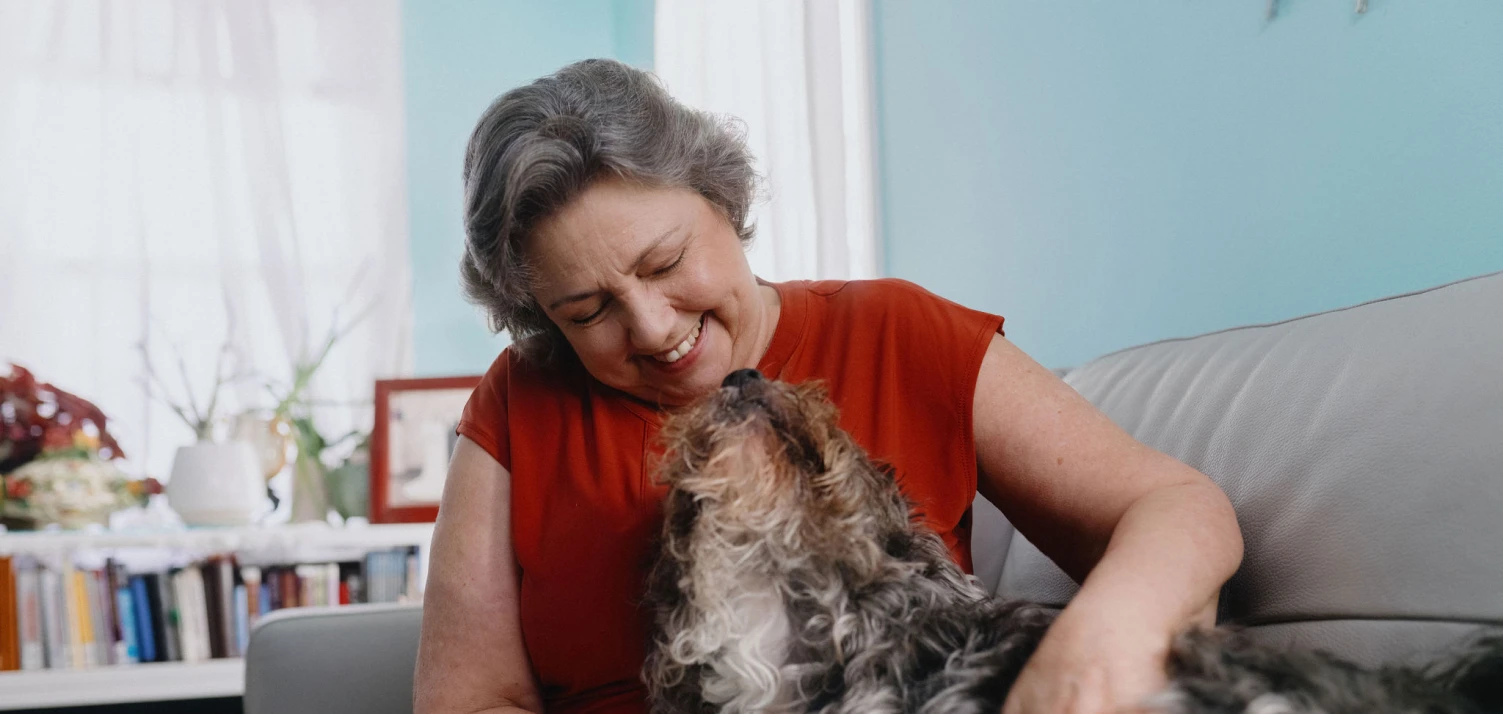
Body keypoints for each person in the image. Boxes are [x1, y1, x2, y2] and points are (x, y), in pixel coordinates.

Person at [413, 58, 1243, 714]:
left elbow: (1175, 507)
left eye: (665, 264)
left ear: (720, 198)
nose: (653, 328)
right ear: (541, 319)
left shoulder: (896, 332)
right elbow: (472, 701)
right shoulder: (521, 401)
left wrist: (1103, 638)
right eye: (587, 310)